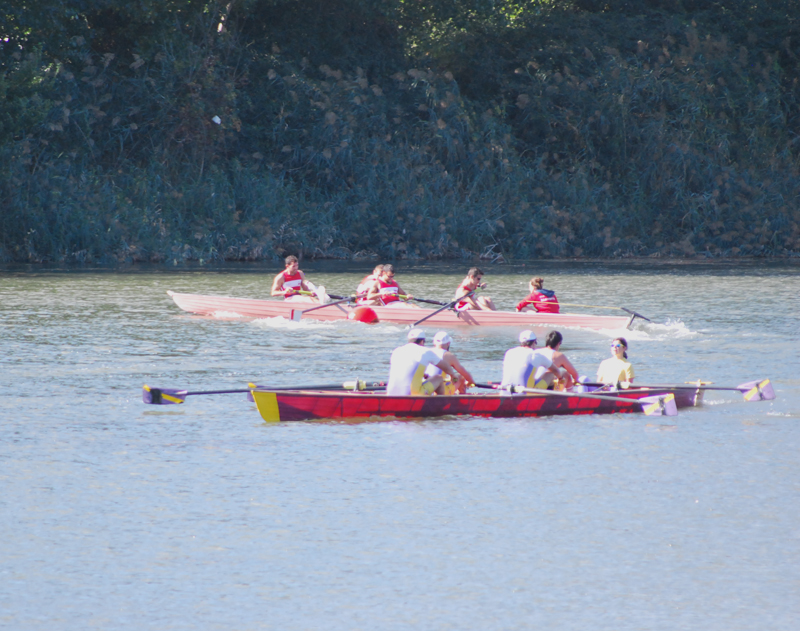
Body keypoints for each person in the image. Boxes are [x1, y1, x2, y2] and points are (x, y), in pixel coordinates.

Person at [387, 328, 459, 396]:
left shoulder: (397, 351)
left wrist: (425, 375)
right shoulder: (425, 351)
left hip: (390, 393)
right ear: (422, 341)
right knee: (439, 378)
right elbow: (445, 366)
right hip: (412, 393)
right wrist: (453, 375)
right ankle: (441, 407)